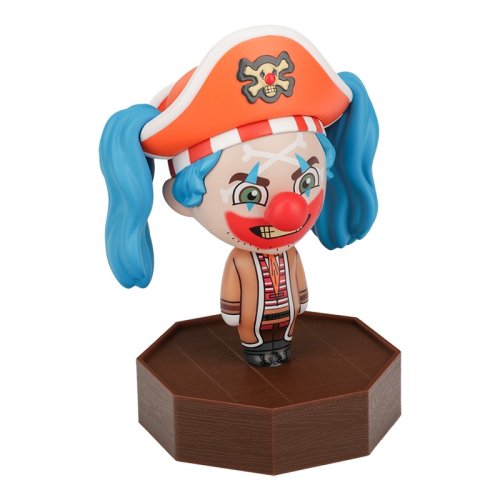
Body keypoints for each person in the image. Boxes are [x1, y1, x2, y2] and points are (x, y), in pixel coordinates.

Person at [99, 26, 379, 367]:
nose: (288, 211)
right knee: (255, 336)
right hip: (253, 324)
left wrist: (301, 300)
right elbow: (233, 295)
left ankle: (281, 346)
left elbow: (299, 285)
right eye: (249, 193)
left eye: (306, 182)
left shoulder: (289, 256)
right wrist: (232, 311)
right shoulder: (241, 260)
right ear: (182, 199)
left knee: (283, 336)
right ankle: (257, 349)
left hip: (286, 316)